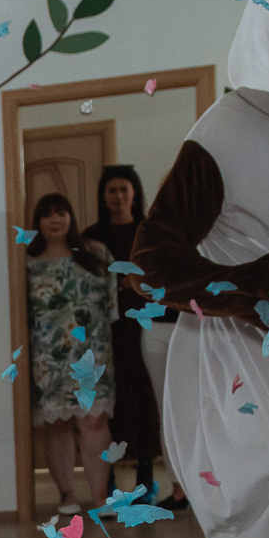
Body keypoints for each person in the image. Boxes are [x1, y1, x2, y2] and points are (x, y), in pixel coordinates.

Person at [82, 166, 187, 512]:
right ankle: (109, 479)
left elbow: (163, 270)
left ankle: (146, 476)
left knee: (146, 400)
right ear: (103, 196)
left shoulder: (149, 230)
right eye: (111, 190)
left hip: (149, 322)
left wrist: (136, 283)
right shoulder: (91, 236)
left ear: (135, 192)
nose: (118, 197)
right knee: (112, 403)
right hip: (106, 331)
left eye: (124, 189)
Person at [23, 192, 117, 516]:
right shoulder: (28, 264)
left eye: (61, 213)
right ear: (37, 223)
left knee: (94, 421)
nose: (55, 220)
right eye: (47, 215)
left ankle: (101, 498)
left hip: (94, 354)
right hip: (48, 358)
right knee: (58, 425)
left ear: (71, 217)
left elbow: (112, 306)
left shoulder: (96, 253)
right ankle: (66, 496)